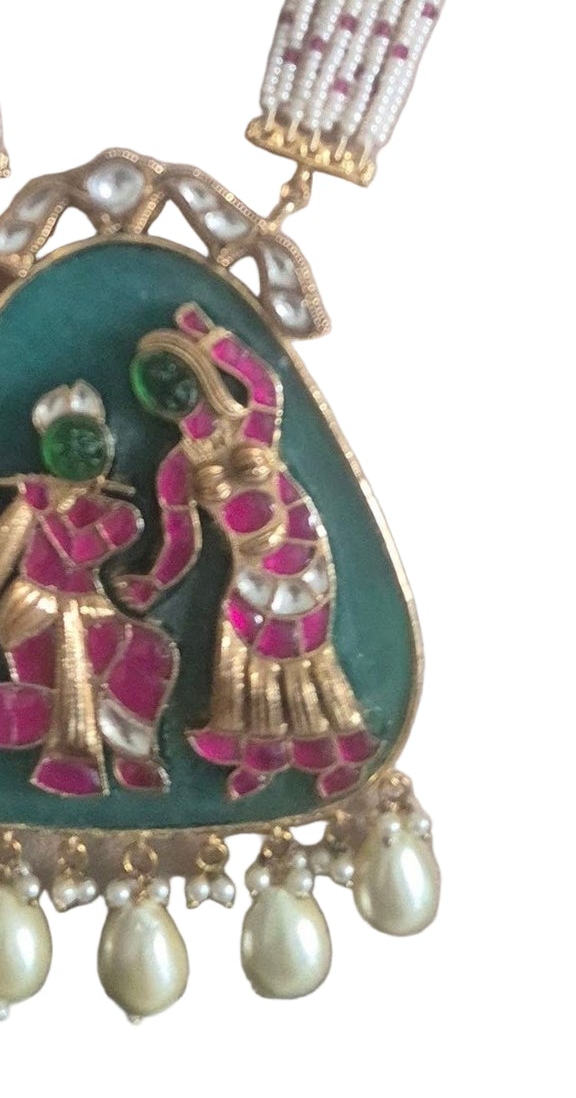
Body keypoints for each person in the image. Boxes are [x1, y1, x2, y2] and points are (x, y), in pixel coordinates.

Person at [117, 304, 378, 801]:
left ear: (197, 370)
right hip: (250, 570)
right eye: (154, 387)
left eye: (176, 375)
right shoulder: (176, 468)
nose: (171, 392)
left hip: (301, 557)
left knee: (306, 654)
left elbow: (263, 382)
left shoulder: (251, 424)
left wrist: (208, 334)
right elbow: (182, 541)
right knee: (244, 655)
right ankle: (261, 759)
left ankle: (340, 753)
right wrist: (152, 583)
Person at [0, 382, 178, 796]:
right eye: (68, 448)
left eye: (90, 446)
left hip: (91, 609)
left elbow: (80, 552)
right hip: (33, 609)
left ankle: (130, 752)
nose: (80, 455)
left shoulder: (122, 514)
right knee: (51, 696)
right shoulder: (32, 504)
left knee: (150, 652)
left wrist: (46, 510)